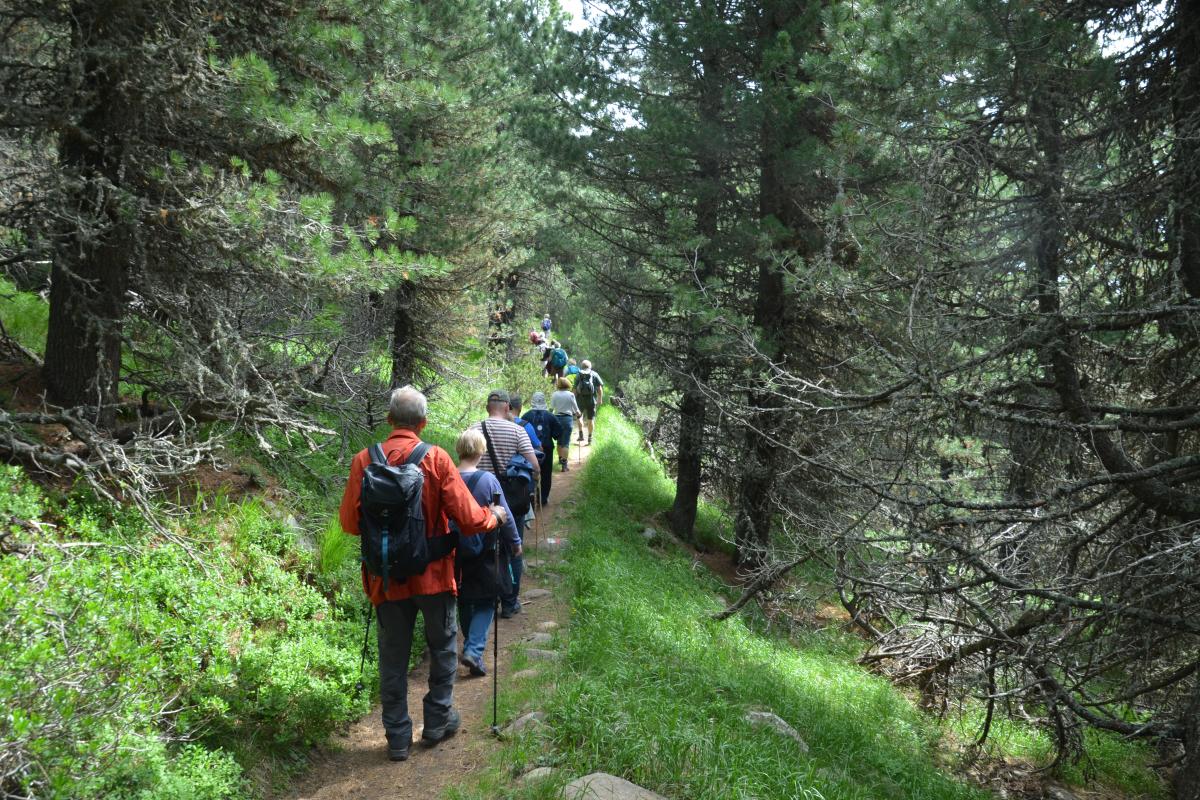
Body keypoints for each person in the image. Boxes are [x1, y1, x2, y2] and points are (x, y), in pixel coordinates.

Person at [340, 386, 507, 762]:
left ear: (388, 420)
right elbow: (467, 519)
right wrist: (493, 516)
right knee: (444, 649)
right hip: (433, 577)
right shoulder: (436, 459)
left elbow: (350, 524)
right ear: (424, 422)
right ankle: (436, 720)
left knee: (393, 660)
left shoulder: (363, 461)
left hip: (386, 579)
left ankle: (397, 738)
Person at [453, 429, 520, 677]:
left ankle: (473, 651)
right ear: (481, 451)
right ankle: (473, 649)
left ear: (459, 450)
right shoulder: (488, 480)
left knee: (463, 597)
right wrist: (515, 542)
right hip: (484, 549)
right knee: (487, 600)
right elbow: (505, 514)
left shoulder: (448, 478)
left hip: (453, 549)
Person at [469, 390, 539, 617]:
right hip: (511, 500)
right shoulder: (518, 431)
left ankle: (483, 598)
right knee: (513, 548)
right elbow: (535, 466)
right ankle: (510, 602)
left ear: (487, 406)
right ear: (508, 407)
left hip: (477, 502)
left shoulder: (473, 430)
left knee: (480, 550)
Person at [522, 392, 562, 507]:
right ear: (544, 401)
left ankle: (531, 496)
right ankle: (543, 498)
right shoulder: (550, 416)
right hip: (547, 450)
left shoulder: (526, 416)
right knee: (546, 473)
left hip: (529, 450)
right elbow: (558, 433)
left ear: (532, 401)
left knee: (530, 472)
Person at [549, 376, 582, 472]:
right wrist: (579, 415)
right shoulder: (571, 395)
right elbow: (576, 409)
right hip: (567, 419)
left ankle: (560, 459)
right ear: (567, 384)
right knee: (566, 443)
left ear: (558, 385)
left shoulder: (555, 395)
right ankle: (564, 465)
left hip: (557, 419)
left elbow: (551, 409)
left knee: (559, 441)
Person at [572, 359, 605, 445]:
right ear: (590, 366)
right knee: (591, 419)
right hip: (591, 400)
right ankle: (590, 437)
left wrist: (572, 400)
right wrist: (600, 399)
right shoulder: (594, 374)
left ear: (581, 366)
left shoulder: (578, 375)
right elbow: (599, 388)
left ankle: (581, 434)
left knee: (580, 417)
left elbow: (575, 389)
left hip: (580, 400)